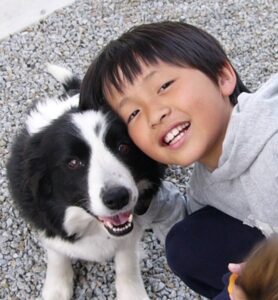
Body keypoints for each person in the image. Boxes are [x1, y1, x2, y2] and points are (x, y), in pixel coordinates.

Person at [79, 21, 278, 299]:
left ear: (222, 77)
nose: (154, 114)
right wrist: (145, 194)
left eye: (164, 86)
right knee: (188, 245)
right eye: (133, 114)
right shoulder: (205, 187)